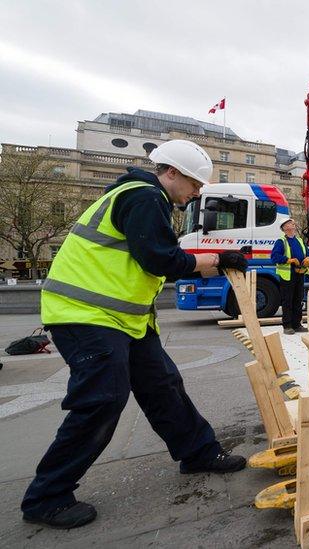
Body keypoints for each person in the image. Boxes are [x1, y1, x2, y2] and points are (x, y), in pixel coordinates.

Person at [23, 140, 249, 529]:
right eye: (194, 184)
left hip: (123, 320)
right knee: (102, 399)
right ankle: (47, 496)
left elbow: (148, 258)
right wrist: (216, 260)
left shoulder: (141, 198)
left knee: (163, 385)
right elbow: (160, 259)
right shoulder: (145, 195)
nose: (196, 192)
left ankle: (198, 452)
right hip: (86, 315)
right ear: (171, 173)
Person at [270, 218, 309, 335]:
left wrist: (308, 258)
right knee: (288, 301)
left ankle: (297, 324)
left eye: (293, 222)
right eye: (291, 223)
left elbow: (307, 252)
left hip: (300, 273)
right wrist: (289, 260)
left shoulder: (299, 240)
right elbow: (274, 257)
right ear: (285, 227)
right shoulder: (281, 241)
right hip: (288, 275)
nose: (293, 224)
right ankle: (287, 325)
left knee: (298, 300)